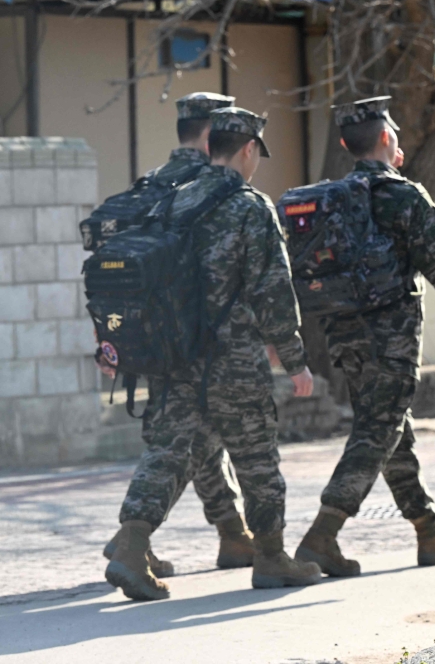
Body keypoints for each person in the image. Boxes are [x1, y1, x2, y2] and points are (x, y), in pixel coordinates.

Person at [104, 107, 321, 600]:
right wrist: (294, 359)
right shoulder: (250, 206)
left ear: (209, 147)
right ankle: (270, 556)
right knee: (257, 458)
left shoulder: (173, 202)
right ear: (247, 150)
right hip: (234, 359)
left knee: (167, 453)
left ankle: (131, 546)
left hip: (174, 356)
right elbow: (273, 291)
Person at [294, 96, 435, 577]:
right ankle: (322, 535)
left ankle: (429, 531)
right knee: (377, 429)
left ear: (347, 145)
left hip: (343, 335)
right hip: (391, 338)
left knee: (389, 425)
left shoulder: (332, 200)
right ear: (388, 140)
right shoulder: (402, 196)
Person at [101, 92, 258, 579]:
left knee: (192, 438)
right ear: (217, 135)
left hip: (145, 337)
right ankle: (135, 534)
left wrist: (110, 340)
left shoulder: (150, 184)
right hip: (200, 343)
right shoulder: (206, 187)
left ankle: (231, 533)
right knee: (183, 441)